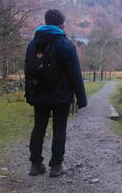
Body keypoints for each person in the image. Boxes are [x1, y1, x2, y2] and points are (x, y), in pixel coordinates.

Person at [24, 9, 87, 177]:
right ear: (62, 25)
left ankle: (35, 165)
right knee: (60, 129)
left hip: (39, 95)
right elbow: (75, 73)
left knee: (39, 128)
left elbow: (28, 71)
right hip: (61, 96)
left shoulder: (33, 44)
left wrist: (29, 94)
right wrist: (81, 99)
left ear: (46, 23)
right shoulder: (66, 45)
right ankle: (56, 167)